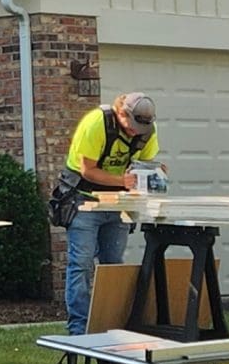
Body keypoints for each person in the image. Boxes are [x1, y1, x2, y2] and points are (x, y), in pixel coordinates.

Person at [60, 92, 161, 334]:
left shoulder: (147, 131)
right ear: (121, 113)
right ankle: (79, 328)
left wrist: (154, 173)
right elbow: (87, 170)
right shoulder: (97, 123)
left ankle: (112, 324)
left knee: (113, 265)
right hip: (84, 200)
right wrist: (122, 180)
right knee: (81, 264)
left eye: (141, 127)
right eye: (131, 125)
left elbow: (144, 165)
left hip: (117, 203)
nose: (135, 132)